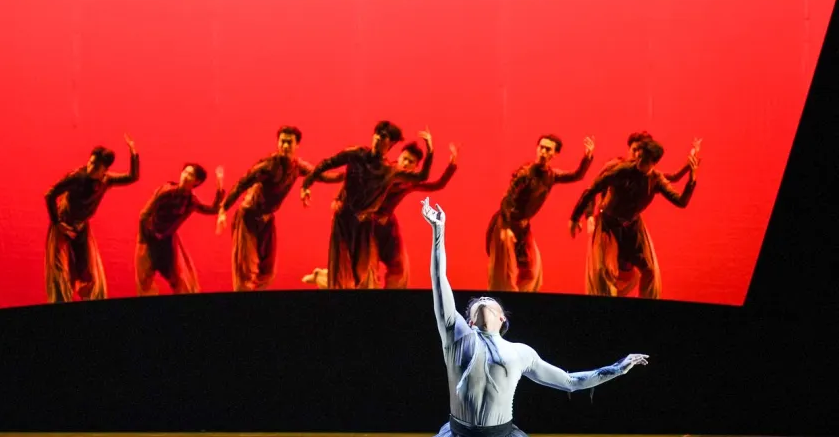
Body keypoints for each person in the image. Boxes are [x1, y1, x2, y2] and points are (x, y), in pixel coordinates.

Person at [288, 198, 677, 437]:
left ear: (503, 319)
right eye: (475, 305)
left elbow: (570, 381)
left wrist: (617, 368)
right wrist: (438, 233)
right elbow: (440, 284)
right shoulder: (458, 338)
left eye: (488, 302)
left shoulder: (520, 352)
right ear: (469, 320)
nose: (481, 303)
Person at [302, 140, 457, 289]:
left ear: (416, 166)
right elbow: (350, 183)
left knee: (400, 266)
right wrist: (337, 199)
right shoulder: (384, 171)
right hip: (368, 225)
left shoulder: (409, 181)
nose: (406, 163)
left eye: (411, 162)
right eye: (404, 158)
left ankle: (393, 300)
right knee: (365, 274)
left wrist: (451, 165)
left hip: (387, 226)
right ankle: (322, 277)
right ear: (399, 157)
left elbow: (437, 185)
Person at [216, 126, 342, 291]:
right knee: (247, 270)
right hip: (249, 217)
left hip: (267, 220)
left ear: (297, 145)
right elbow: (242, 183)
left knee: (267, 270)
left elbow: (321, 176)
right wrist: (223, 209)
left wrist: (345, 176)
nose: (285, 146)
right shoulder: (268, 166)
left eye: (289, 142)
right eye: (282, 141)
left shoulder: (297, 166)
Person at [569, 138, 699, 299]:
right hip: (609, 223)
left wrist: (692, 177)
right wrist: (577, 217)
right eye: (638, 155)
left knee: (649, 270)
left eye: (644, 159)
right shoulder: (620, 169)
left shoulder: (656, 179)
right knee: (606, 270)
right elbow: (592, 189)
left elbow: (680, 201)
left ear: (653, 163)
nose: (638, 161)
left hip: (632, 227)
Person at [486, 135, 593, 292]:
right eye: (541, 147)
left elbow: (577, 175)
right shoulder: (525, 174)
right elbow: (507, 199)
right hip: (505, 224)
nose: (543, 152)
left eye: (548, 149)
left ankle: (521, 301)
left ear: (555, 154)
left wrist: (587, 157)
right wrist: (506, 228)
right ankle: (500, 303)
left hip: (522, 227)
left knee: (532, 271)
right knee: (504, 274)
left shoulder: (551, 175)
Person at [44, 136, 139, 302]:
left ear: (104, 170)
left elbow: (132, 177)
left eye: (96, 166)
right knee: (59, 269)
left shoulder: (106, 180)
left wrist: (133, 153)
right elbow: (50, 194)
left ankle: (87, 302)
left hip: (80, 227)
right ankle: (60, 304)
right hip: (64, 224)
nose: (91, 167)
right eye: (90, 162)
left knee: (84, 269)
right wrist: (57, 223)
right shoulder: (77, 178)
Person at [134, 163, 224, 295]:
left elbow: (213, 210)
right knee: (144, 279)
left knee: (178, 279)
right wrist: (144, 239)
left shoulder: (191, 201)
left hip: (166, 242)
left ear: (197, 182)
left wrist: (220, 186)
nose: (185, 176)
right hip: (149, 239)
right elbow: (144, 215)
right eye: (185, 172)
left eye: (190, 174)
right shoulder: (166, 191)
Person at [584, 133, 700, 236]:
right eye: (634, 150)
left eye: (642, 154)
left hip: (629, 225)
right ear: (629, 149)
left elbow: (673, 178)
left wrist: (691, 163)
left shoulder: (649, 175)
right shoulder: (615, 167)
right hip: (607, 222)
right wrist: (589, 216)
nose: (637, 156)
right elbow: (592, 188)